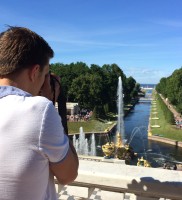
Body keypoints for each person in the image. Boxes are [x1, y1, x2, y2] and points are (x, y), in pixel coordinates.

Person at [0, 26, 79, 200]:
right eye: (45, 74)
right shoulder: (39, 110)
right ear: (35, 72)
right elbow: (68, 175)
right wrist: (51, 104)